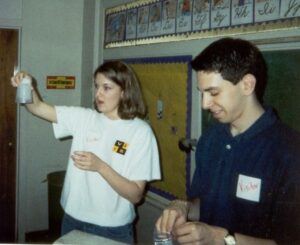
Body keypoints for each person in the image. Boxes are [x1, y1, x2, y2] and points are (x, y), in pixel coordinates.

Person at [155, 38, 300, 245]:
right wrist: (183, 207)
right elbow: (202, 204)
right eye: (202, 93)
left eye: (213, 93)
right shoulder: (211, 139)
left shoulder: (290, 151)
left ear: (247, 84)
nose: (205, 104)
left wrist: (221, 238)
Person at [11, 60, 161, 244]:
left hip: (112, 228)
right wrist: (28, 85)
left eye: (106, 88)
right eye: (97, 86)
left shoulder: (140, 132)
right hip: (72, 219)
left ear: (124, 91)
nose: (98, 93)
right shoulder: (85, 118)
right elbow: (38, 108)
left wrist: (100, 166)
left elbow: (136, 194)